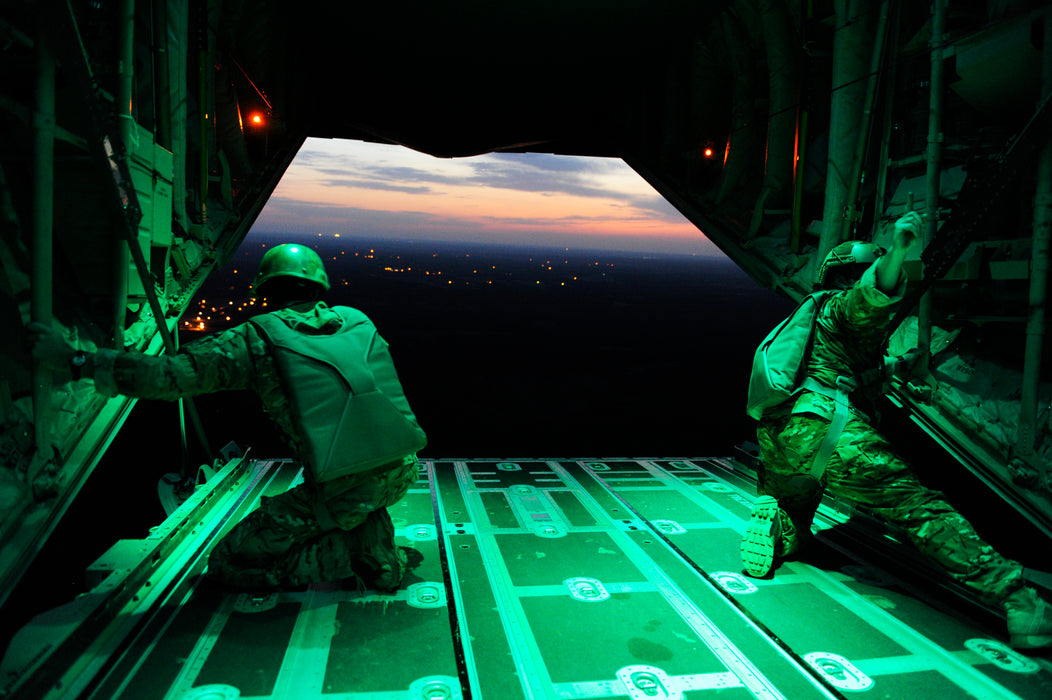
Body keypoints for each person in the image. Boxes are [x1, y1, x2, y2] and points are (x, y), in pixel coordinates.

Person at [28, 243, 426, 592]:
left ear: (266, 291)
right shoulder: (356, 321)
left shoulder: (256, 339)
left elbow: (168, 376)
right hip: (403, 471)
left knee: (229, 561)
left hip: (345, 488)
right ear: (318, 287)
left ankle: (355, 553)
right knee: (346, 497)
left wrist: (73, 359)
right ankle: (362, 523)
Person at [741, 211, 1052, 650]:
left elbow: (857, 370)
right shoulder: (844, 309)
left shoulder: (810, 318)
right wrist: (900, 250)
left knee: (798, 518)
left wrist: (900, 365)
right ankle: (1020, 602)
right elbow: (872, 296)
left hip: (778, 439)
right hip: (832, 437)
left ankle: (778, 526)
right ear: (853, 275)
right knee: (920, 509)